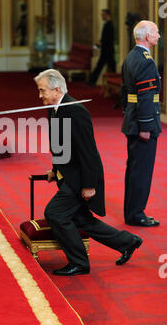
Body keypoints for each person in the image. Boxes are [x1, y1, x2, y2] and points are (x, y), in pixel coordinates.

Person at [34, 69, 142, 276]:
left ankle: (79, 262)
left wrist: (89, 185)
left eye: (42, 91)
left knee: (54, 213)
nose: (40, 96)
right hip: (67, 174)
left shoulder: (76, 111)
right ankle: (128, 242)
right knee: (81, 220)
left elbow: (88, 152)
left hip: (80, 178)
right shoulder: (53, 108)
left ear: (57, 89)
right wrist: (55, 170)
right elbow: (61, 146)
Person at [121, 20, 161, 227]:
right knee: (141, 171)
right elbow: (145, 96)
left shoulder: (131, 56)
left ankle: (132, 211)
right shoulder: (146, 61)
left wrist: (128, 115)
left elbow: (124, 92)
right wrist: (146, 126)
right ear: (146, 36)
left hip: (132, 120)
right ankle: (136, 214)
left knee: (134, 168)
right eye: (155, 32)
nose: (159, 36)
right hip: (143, 123)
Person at [89, 9, 116, 86]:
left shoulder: (109, 25)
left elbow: (106, 39)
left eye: (103, 14)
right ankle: (92, 82)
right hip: (106, 50)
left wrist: (97, 46)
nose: (102, 16)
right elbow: (103, 39)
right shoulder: (107, 24)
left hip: (108, 51)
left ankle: (92, 82)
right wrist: (96, 46)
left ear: (108, 15)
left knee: (106, 67)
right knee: (100, 67)